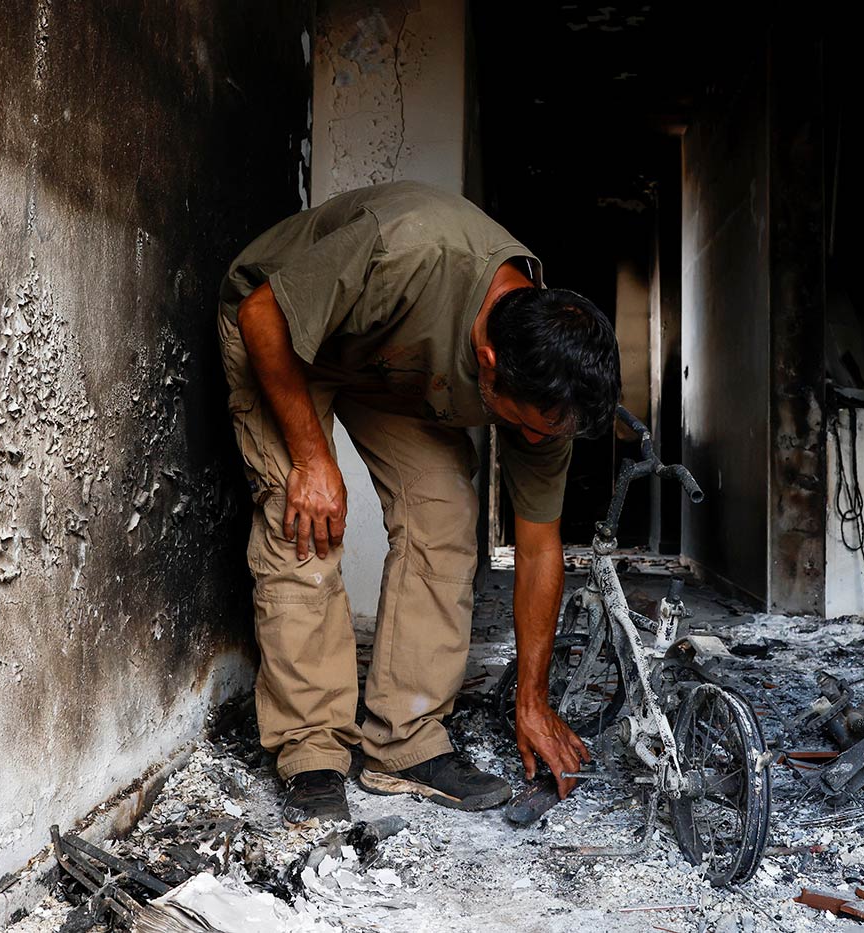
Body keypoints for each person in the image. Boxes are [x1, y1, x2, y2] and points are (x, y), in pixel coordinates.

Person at [217, 180, 620, 827]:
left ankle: (403, 740)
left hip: (388, 368)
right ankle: (312, 747)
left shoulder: (550, 387)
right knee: (307, 517)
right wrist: (314, 459)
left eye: (551, 431)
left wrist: (533, 701)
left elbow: (539, 547)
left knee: (447, 515)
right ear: (488, 364)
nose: (538, 442)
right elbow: (264, 314)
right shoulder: (409, 251)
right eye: (528, 427)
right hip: (283, 333)